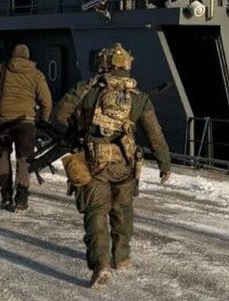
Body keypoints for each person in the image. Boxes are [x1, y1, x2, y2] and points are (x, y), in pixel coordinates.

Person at [49, 43, 171, 288]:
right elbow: (155, 134)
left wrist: (76, 133)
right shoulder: (140, 98)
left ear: (103, 65)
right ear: (127, 65)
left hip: (93, 162)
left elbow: (58, 116)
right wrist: (164, 163)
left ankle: (101, 264)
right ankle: (122, 257)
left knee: (96, 212)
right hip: (125, 164)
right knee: (123, 210)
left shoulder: (85, 90)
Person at [0, 43, 52, 212]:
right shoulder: (36, 74)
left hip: (3, 121)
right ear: (27, 56)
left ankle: (6, 195)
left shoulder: (2, 69)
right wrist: (42, 120)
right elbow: (47, 101)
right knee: (24, 160)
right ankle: (21, 198)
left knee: (2, 157)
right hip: (26, 122)